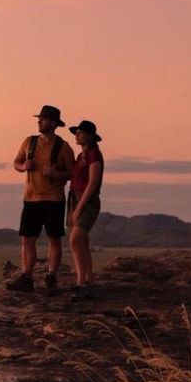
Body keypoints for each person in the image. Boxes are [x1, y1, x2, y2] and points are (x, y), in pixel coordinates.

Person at [11, 105, 75, 288]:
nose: (39, 122)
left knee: (54, 238)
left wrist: (56, 174)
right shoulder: (29, 142)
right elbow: (16, 162)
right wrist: (23, 167)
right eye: (39, 119)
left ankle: (51, 277)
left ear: (53, 123)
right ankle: (26, 276)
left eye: (43, 119)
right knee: (27, 238)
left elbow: (71, 173)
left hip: (54, 199)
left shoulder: (63, 147)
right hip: (31, 198)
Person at [66, 120, 105, 288]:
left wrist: (80, 207)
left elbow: (93, 183)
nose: (77, 135)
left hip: (87, 200)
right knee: (82, 241)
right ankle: (88, 278)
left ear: (90, 136)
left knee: (76, 239)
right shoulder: (80, 156)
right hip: (75, 198)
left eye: (81, 132)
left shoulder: (94, 154)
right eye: (77, 132)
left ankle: (80, 281)